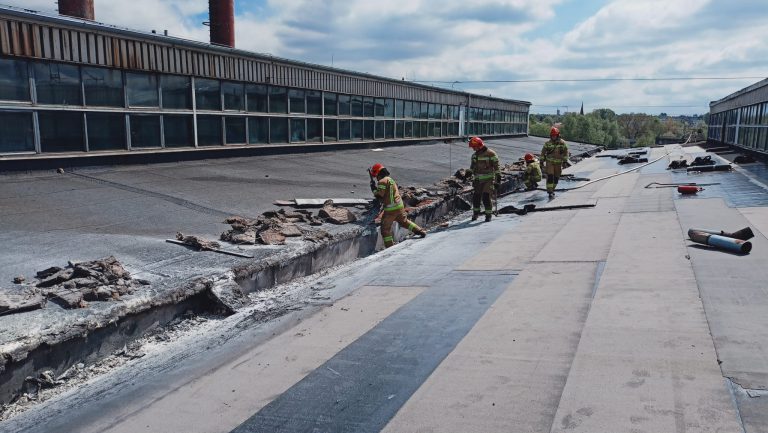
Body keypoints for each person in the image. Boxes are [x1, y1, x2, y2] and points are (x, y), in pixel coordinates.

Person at [369, 163, 426, 248]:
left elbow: (379, 195)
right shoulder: (390, 180)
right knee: (405, 222)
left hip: (390, 210)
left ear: (378, 174)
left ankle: (390, 248)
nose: (376, 178)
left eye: (376, 176)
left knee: (385, 230)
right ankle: (420, 231)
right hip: (399, 207)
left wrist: (373, 189)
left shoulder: (382, 181)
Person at [468, 136, 500, 222]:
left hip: (488, 179)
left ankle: (488, 215)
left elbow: (497, 168)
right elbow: (472, 167)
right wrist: (468, 173)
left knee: (486, 197)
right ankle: (476, 213)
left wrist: (498, 180)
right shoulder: (474, 156)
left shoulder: (491, 154)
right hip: (478, 180)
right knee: (476, 197)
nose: (473, 149)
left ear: (479, 145)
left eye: (474, 147)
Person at [540, 127, 569, 198]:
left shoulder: (562, 143)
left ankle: (552, 189)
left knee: (556, 178)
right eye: (552, 135)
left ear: (558, 135)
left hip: (558, 164)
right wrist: (541, 161)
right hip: (550, 162)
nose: (553, 137)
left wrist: (565, 161)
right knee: (550, 176)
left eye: (555, 135)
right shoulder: (547, 143)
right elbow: (543, 152)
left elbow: (566, 152)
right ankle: (550, 191)